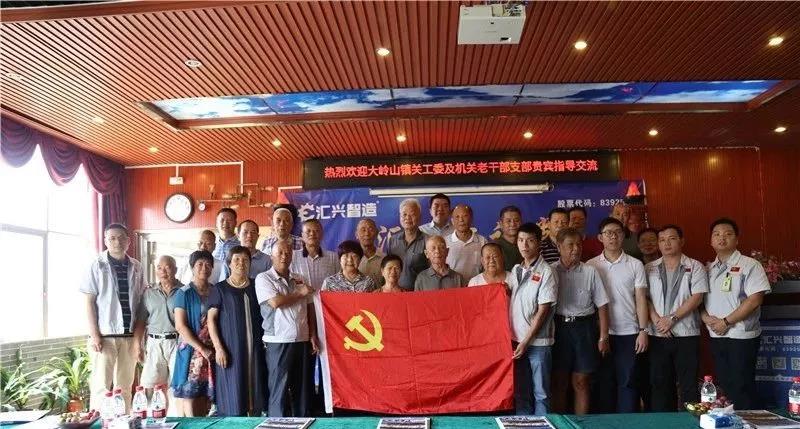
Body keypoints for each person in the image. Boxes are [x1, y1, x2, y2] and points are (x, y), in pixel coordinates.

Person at [701, 218, 770, 410]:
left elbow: (755, 299)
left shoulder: (750, 265)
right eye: (716, 234)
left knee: (742, 384)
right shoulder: (708, 269)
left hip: (741, 335)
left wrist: (726, 322)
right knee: (726, 384)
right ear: (711, 241)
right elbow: (700, 301)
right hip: (716, 334)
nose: (721, 238)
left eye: (728, 234)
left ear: (737, 239)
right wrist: (707, 319)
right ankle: (733, 420)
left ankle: (749, 420)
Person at [586, 218, 649, 413]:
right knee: (603, 382)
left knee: (628, 381)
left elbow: (641, 298)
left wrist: (643, 330)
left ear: (623, 236)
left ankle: (626, 422)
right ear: (600, 237)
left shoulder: (635, 264)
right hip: (600, 333)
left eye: (617, 232)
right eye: (608, 233)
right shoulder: (591, 265)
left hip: (629, 332)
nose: (613, 236)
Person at [80, 223, 146, 410]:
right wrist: (95, 335)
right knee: (101, 386)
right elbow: (89, 302)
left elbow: (142, 302)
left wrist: (138, 340)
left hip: (129, 336)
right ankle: (99, 421)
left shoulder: (136, 266)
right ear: (105, 241)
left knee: (125, 386)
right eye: (112, 238)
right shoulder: (96, 265)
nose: (117, 242)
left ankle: (124, 420)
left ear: (128, 241)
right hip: (104, 336)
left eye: (121, 238)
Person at [645, 225, 708, 411]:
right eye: (662, 240)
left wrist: (672, 318)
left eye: (671, 238)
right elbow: (644, 298)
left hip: (685, 334)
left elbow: (697, 297)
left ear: (681, 241)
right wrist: (657, 320)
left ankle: (690, 421)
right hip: (658, 334)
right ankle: (664, 422)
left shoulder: (695, 266)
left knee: (688, 384)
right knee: (660, 384)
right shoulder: (649, 268)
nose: (666, 243)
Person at [551, 227, 610, 415]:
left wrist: (603, 336)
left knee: (581, 381)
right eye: (570, 245)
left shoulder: (590, 271)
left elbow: (602, 305)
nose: (575, 249)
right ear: (559, 247)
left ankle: (581, 423)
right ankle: (560, 422)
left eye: (578, 244)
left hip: (584, 329)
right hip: (558, 328)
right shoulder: (550, 270)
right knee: (559, 381)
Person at [256, 241, 317, 417]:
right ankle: (277, 422)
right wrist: (299, 293)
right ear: (272, 256)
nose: (284, 256)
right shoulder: (264, 278)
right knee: (279, 389)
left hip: (302, 339)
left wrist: (313, 334)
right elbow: (275, 302)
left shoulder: (300, 278)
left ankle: (303, 422)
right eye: (280, 252)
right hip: (278, 341)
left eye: (288, 253)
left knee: (302, 390)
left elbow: (310, 306)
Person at [207, 246, 266, 416]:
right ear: (229, 264)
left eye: (245, 260)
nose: (241, 263)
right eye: (237, 260)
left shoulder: (256, 285)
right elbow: (211, 320)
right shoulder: (220, 289)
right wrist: (219, 348)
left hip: (256, 349)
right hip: (230, 349)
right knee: (233, 391)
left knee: (256, 389)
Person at [508, 223, 557, 415]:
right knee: (521, 391)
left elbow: (543, 311)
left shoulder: (546, 271)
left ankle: (542, 424)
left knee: (541, 392)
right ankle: (523, 424)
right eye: (521, 240)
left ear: (539, 243)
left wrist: (526, 341)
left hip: (538, 343)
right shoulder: (515, 270)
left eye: (529, 240)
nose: (524, 245)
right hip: (516, 340)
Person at [133, 255, 182, 413]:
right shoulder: (149, 293)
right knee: (154, 387)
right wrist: (137, 345)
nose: (163, 271)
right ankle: (158, 419)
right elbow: (141, 321)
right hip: (154, 343)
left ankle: (178, 419)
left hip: (177, 342)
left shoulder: (184, 291)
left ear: (175, 270)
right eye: (159, 268)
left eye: (167, 267)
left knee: (178, 388)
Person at [171, 250, 215, 417]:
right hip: (192, 350)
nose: (204, 268)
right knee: (190, 393)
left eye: (208, 264)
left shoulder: (216, 290)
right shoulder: (184, 293)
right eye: (199, 264)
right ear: (192, 267)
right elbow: (180, 326)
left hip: (213, 349)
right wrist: (202, 348)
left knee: (205, 394)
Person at [387, 198, 429, 290]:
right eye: (404, 214)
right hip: (396, 292)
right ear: (400, 216)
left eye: (412, 214)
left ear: (419, 217)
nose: (407, 218)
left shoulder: (428, 240)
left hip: (419, 292)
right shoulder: (392, 240)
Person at [445, 204, 487, 280]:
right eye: (457, 217)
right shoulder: (445, 242)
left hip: (476, 285)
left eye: (465, 216)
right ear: (452, 221)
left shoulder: (483, 241)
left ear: (471, 219)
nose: (461, 220)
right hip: (453, 285)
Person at [492, 206, 523, 271]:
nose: (513, 224)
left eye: (516, 220)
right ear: (501, 224)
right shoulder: (494, 246)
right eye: (508, 221)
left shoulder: (526, 244)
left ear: (521, 222)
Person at [355, 218, 384, 286]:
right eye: (363, 230)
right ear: (356, 234)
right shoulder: (351, 260)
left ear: (376, 233)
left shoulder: (384, 258)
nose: (367, 234)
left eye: (371, 230)